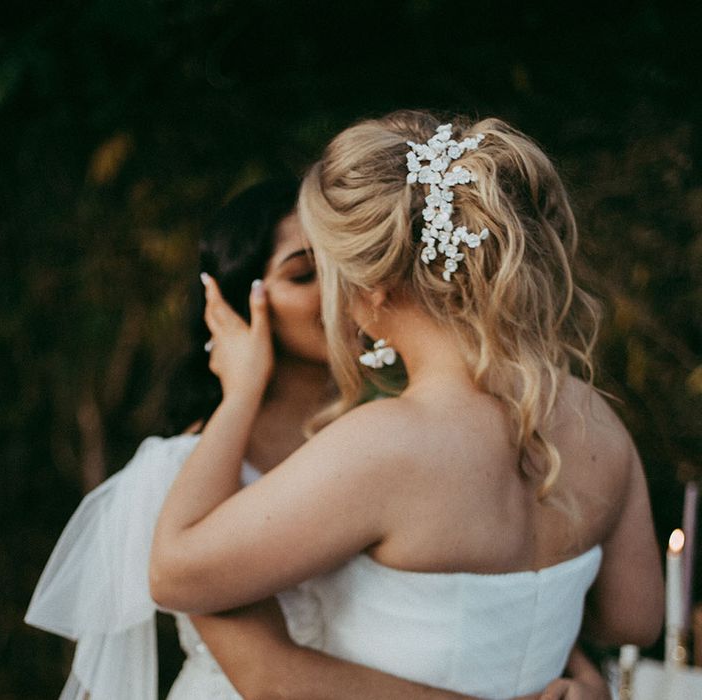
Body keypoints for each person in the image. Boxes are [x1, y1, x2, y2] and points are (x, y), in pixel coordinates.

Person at [26, 178, 608, 699]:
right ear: (237, 304)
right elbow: (271, 679)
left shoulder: (384, 440)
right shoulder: (184, 474)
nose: (340, 291)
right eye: (305, 274)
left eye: (346, 265)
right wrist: (241, 393)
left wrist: (563, 657)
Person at [150, 112, 664, 699]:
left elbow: (173, 574)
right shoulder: (597, 419)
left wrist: (239, 392)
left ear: (370, 285)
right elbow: (632, 619)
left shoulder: (381, 445)